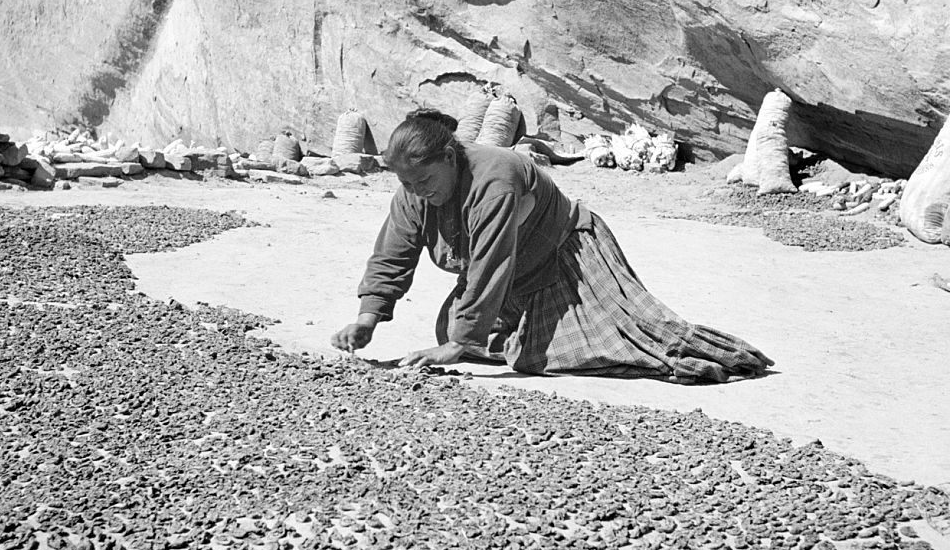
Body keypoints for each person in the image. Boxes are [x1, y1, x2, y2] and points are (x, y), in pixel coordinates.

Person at [331, 108, 773, 382]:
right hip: (515, 273)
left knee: (605, 346)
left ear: (448, 157)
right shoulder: (414, 188)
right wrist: (368, 318)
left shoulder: (495, 178)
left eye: (424, 181)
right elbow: (394, 250)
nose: (418, 191)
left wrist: (461, 343)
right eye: (408, 184)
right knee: (450, 332)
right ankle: (511, 331)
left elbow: (491, 260)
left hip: (567, 257)